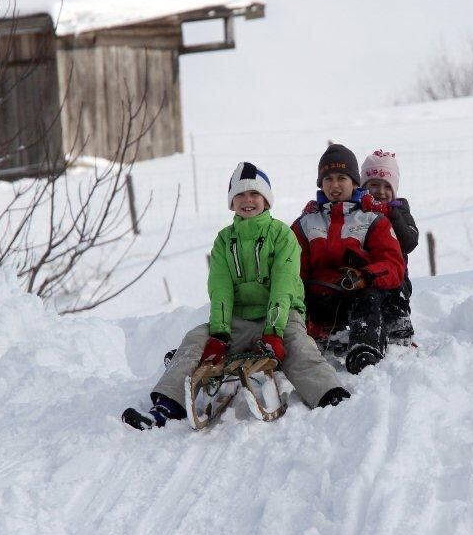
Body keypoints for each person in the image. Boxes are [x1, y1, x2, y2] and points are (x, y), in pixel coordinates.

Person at [122, 161, 350, 430]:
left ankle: (330, 396)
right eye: (240, 195)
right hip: (239, 319)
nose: (248, 200)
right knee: (195, 338)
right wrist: (219, 333)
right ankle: (165, 407)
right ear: (231, 204)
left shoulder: (282, 235)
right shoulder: (224, 241)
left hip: (281, 315)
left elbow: (284, 284)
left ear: (266, 200)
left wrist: (274, 331)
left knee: (299, 346)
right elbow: (220, 288)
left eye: (254, 194)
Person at [293, 143, 405, 374]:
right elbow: (294, 268)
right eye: (328, 179)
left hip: (354, 295)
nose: (334, 185)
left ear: (355, 182)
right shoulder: (305, 223)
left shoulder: (372, 220)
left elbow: (393, 264)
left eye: (341, 178)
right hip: (317, 297)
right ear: (320, 184)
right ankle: (297, 348)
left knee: (370, 296)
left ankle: (364, 350)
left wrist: (366, 275)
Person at [359, 149, 419, 342]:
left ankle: (398, 323)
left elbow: (410, 242)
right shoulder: (357, 209)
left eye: (387, 186)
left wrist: (390, 214)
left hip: (395, 276)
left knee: (395, 294)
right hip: (366, 273)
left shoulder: (400, 211)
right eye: (374, 185)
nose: (381, 191)